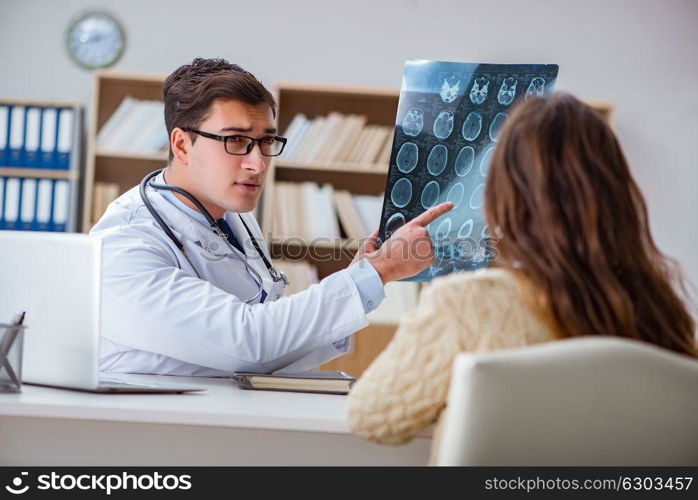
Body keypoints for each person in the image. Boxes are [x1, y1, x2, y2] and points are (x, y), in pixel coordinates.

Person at [346, 92, 697, 464]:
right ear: (618, 194)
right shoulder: (663, 310)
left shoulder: (467, 304)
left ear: (505, 196)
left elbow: (371, 418)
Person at [91, 57, 453, 376]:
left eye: (266, 141)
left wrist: (364, 270)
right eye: (235, 141)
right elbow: (248, 340)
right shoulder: (124, 243)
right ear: (182, 144)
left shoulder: (231, 217)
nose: (257, 163)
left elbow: (272, 345)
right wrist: (379, 271)